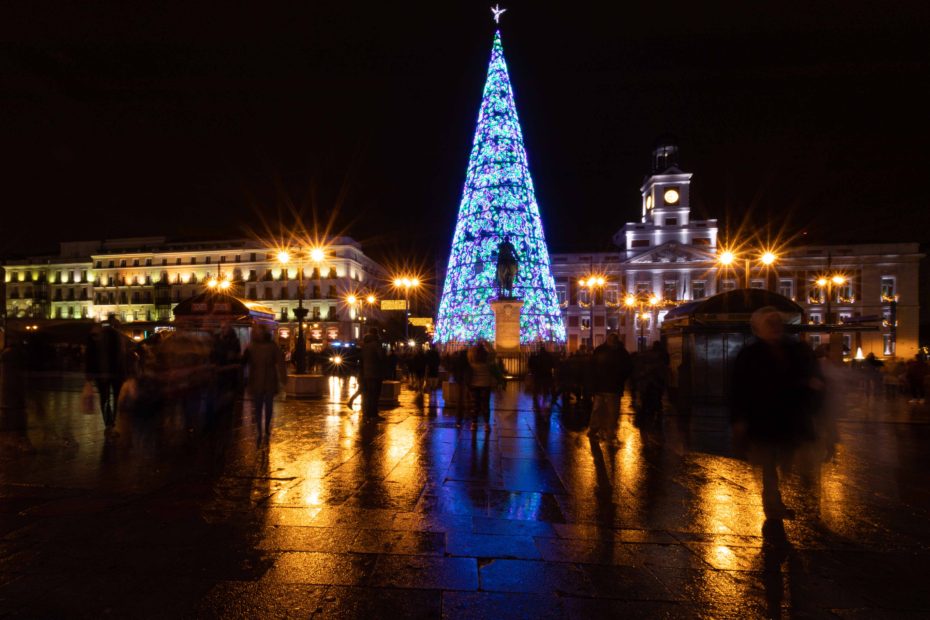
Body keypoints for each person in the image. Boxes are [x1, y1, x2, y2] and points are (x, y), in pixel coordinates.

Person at [731, 307, 822, 521]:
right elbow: (739, 388)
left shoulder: (794, 349)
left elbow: (806, 375)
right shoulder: (750, 354)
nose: (774, 326)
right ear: (759, 328)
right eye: (769, 323)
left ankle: (787, 495)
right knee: (769, 465)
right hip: (763, 418)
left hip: (790, 417)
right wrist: (739, 420)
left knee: (788, 459)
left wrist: (811, 387)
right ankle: (773, 504)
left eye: (776, 321)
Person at [243, 324, 287, 442]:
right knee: (258, 407)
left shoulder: (271, 346)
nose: (258, 333)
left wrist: (283, 378)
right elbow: (244, 361)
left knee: (268, 406)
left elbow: (280, 362)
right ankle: (259, 429)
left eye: (260, 331)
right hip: (259, 380)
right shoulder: (252, 346)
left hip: (267, 380)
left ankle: (266, 427)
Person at [84, 320, 126, 433]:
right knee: (108, 398)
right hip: (108, 373)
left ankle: (111, 423)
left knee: (109, 398)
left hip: (108, 373)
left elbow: (89, 356)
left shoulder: (113, 336)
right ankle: (110, 423)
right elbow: (90, 356)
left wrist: (89, 375)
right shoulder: (114, 335)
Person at [589, 334, 633, 441]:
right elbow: (628, 369)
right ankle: (607, 431)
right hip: (612, 387)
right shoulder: (622, 353)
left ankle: (598, 429)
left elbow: (592, 368)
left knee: (599, 409)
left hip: (604, 386)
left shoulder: (600, 350)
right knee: (610, 411)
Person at [360, 328, 386, 421]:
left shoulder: (364, 345)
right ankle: (373, 415)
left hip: (366, 374)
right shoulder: (376, 344)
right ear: (376, 334)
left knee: (367, 395)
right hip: (376, 373)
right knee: (375, 395)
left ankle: (366, 414)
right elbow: (381, 357)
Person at [468, 341, 494, 427]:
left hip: (474, 385)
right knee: (486, 405)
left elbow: (469, 354)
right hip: (485, 385)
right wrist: (487, 343)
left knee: (474, 405)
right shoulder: (488, 364)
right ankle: (486, 424)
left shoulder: (472, 364)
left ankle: (474, 423)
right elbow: (493, 353)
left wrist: (474, 347)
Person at [528, 344, 555, 411]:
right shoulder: (549, 357)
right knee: (546, 387)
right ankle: (546, 400)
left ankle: (536, 400)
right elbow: (553, 364)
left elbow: (533, 365)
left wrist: (533, 371)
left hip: (539, 374)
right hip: (547, 374)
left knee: (537, 387)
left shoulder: (537, 357)